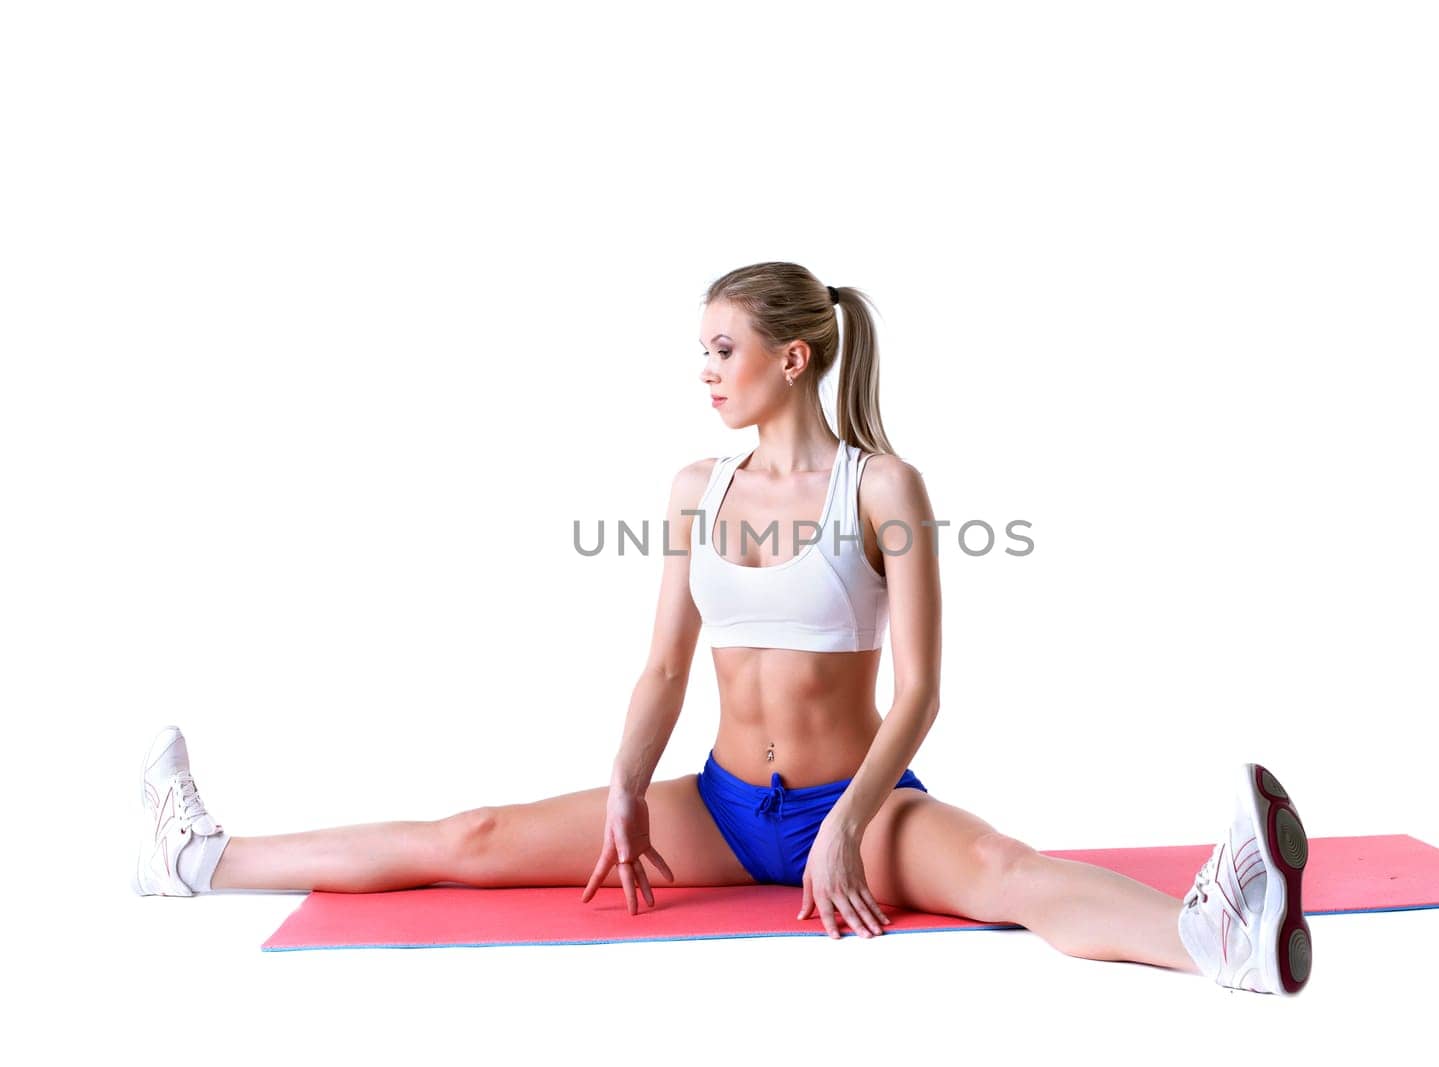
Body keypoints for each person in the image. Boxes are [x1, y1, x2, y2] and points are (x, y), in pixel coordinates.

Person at [131, 260, 1312, 996]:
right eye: (700, 348)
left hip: (853, 805)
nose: (703, 369)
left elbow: (919, 694)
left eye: (722, 348)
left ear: (791, 357)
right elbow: (661, 662)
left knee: (1006, 871)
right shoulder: (695, 485)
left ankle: (1216, 936)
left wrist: (847, 828)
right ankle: (200, 857)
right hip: (717, 803)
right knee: (475, 830)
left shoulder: (883, 487)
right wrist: (623, 785)